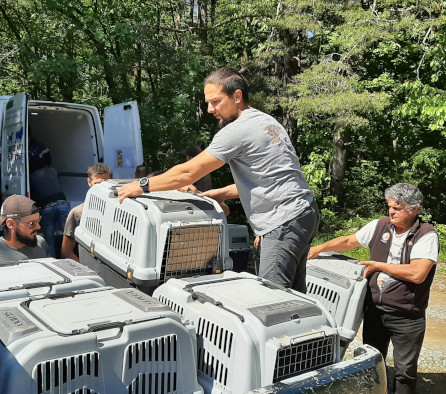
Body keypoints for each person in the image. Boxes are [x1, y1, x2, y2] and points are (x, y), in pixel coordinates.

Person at [117, 67, 319, 292]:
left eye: (216, 102)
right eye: (207, 103)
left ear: (237, 97)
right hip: (305, 212)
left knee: (272, 302)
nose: (210, 109)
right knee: (295, 297)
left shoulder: (237, 131)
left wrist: (143, 185)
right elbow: (269, 178)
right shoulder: (266, 121)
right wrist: (221, 194)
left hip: (283, 221)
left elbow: (188, 173)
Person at [307, 183, 439, 394]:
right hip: (375, 312)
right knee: (371, 363)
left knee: (405, 371)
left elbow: (417, 273)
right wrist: (318, 249)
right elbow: (350, 241)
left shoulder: (426, 235)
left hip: (407, 316)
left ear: (414, 209)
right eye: (390, 206)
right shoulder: (380, 225)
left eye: (397, 208)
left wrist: (378, 266)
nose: (391, 211)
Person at [0, 195, 49, 264]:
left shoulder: (41, 244)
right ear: (11, 224)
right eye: (32, 223)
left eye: (38, 220)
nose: (38, 227)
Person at [28, 137, 70, 258]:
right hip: (63, 204)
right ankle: (68, 259)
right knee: (66, 237)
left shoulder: (32, 177)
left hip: (48, 207)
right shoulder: (52, 171)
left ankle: (52, 260)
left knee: (49, 239)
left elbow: (35, 197)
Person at [61, 163, 113, 261]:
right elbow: (66, 251)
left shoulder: (118, 212)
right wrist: (87, 270)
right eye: (97, 184)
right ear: (89, 182)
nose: (102, 188)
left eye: (105, 184)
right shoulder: (78, 213)